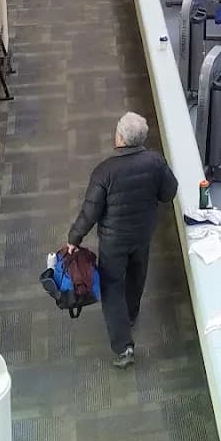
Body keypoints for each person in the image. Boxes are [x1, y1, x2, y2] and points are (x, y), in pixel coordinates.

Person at [66, 112, 178, 368]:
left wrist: (75, 238)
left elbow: (90, 212)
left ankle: (123, 346)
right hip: (142, 235)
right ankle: (131, 314)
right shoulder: (155, 162)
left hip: (113, 242)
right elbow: (169, 192)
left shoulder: (104, 171)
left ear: (119, 138)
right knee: (138, 275)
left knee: (112, 286)